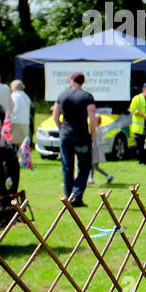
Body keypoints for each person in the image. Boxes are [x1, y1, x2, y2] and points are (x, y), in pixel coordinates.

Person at [52, 72, 97, 207]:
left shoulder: (62, 95)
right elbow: (93, 117)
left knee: (67, 167)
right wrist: (92, 134)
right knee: (84, 166)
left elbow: (55, 115)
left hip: (66, 135)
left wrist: (61, 129)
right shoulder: (87, 96)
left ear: (72, 81)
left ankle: (68, 197)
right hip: (81, 135)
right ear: (82, 82)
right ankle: (77, 195)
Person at [8, 80, 32, 151]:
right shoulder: (26, 96)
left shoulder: (14, 96)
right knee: (23, 144)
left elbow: (14, 110)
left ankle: (14, 160)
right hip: (25, 122)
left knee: (13, 143)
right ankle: (25, 160)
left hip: (15, 122)